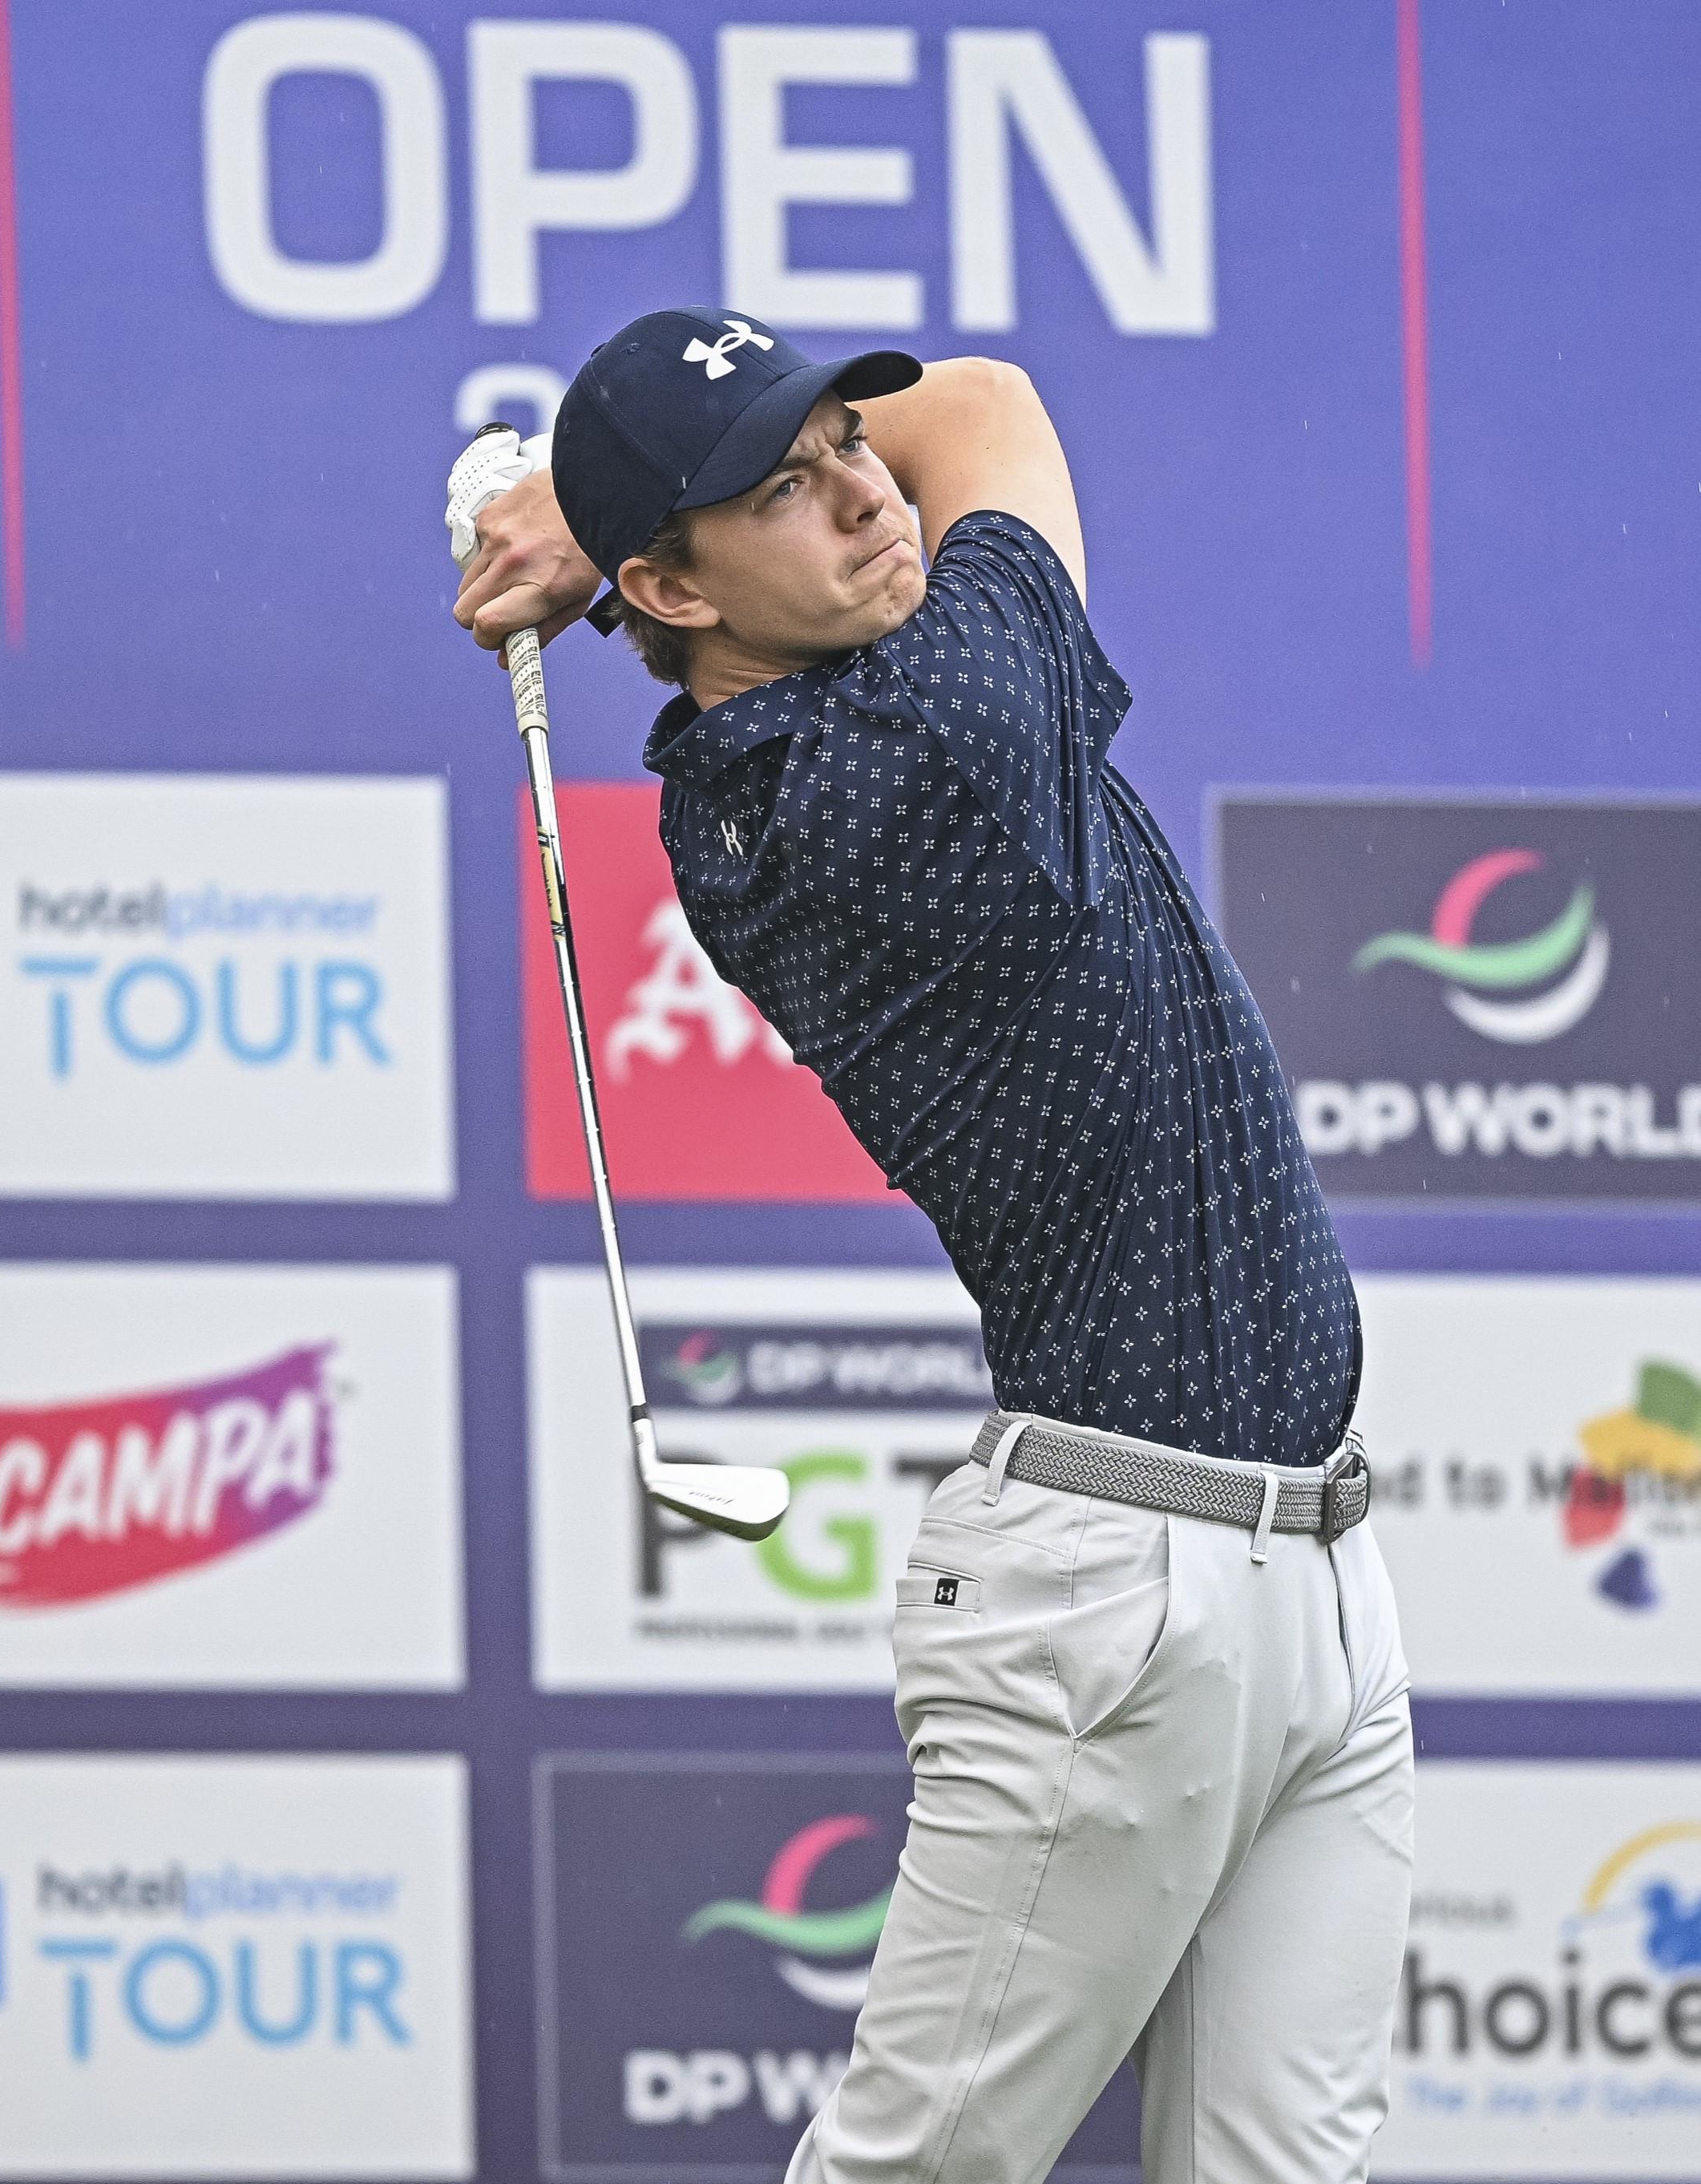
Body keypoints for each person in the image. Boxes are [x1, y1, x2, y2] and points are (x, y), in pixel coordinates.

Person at [455, 308, 1413, 2184]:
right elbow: (990, 404)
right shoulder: (919, 745)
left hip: (1306, 1571)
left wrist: (599, 513)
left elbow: (916, 444)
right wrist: (581, 514)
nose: (864, 500)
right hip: (1117, 1601)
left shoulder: (798, 715)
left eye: (843, 445)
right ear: (675, 587)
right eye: (781, 492)